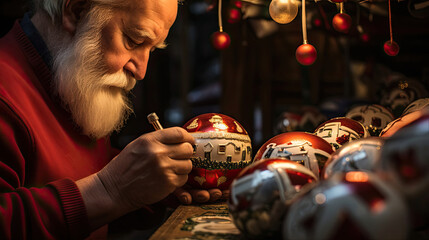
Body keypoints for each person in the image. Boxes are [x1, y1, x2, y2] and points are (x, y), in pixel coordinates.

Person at [0, 0, 227, 238]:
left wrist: (155, 189)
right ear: (76, 11)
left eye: (152, 49)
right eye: (134, 40)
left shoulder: (70, 76)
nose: (141, 71)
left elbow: (78, 202)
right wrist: (110, 190)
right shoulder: (7, 93)